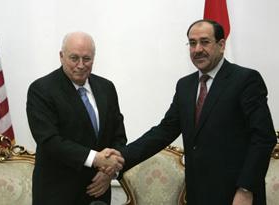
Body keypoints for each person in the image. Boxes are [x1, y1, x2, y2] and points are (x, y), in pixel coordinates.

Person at [111, 19, 277, 205]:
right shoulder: (185, 85)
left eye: (204, 42)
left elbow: (264, 138)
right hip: (198, 194)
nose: (197, 49)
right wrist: (121, 157)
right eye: (192, 43)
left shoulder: (245, 80)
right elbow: (164, 131)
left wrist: (246, 189)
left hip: (237, 196)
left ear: (221, 45)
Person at [26, 31, 127, 205]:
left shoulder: (106, 88)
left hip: (99, 192)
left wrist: (110, 171)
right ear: (61, 56)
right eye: (74, 58)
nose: (80, 65)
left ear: (93, 58)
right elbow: (49, 141)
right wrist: (95, 158)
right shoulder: (41, 90)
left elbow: (118, 136)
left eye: (86, 59)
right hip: (57, 194)